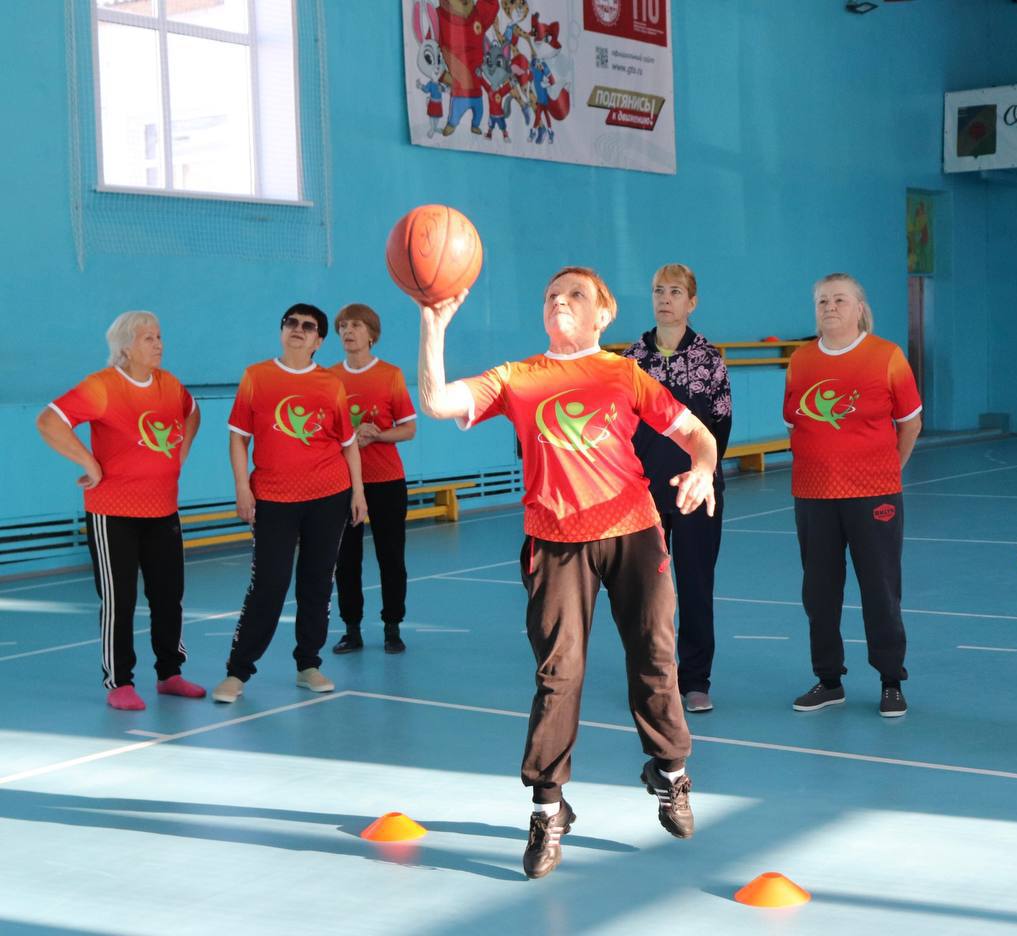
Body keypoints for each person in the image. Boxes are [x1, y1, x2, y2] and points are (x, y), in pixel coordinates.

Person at [417, 267, 718, 879]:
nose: (559, 299)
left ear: (602, 314)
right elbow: (437, 401)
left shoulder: (623, 373)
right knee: (559, 675)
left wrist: (704, 470)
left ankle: (670, 774)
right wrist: (433, 327)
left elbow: (696, 434)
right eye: (551, 293)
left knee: (656, 657)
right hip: (554, 541)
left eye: (575, 293)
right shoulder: (517, 376)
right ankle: (548, 809)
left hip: (632, 529)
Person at [36, 311, 205, 710]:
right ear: (126, 347)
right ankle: (120, 682)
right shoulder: (103, 386)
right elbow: (48, 422)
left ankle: (170, 673)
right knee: (120, 600)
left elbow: (193, 413)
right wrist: (89, 463)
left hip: (163, 510)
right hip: (113, 513)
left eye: (159, 336)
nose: (159, 344)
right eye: (149, 338)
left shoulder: (170, 384)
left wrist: (179, 455)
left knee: (169, 596)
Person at [213, 304, 367, 704]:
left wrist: (358, 493)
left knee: (317, 582)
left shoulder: (330, 384)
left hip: (328, 496)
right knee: (269, 583)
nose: (298, 329)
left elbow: (348, 444)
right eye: (291, 323)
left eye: (308, 326)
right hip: (273, 498)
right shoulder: (256, 377)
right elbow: (238, 437)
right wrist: (242, 487)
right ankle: (237, 671)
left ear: (319, 340)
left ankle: (308, 664)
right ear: (282, 331)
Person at [785, 273, 922, 717]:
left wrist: (888, 470)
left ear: (860, 308)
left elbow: (911, 423)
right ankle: (829, 681)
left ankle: (890, 681)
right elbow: (795, 426)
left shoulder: (887, 356)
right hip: (813, 496)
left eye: (840, 300)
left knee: (881, 589)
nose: (830, 307)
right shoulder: (801, 360)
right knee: (819, 593)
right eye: (822, 300)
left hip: (874, 495)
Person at [621, 263, 732, 713]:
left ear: (691, 302)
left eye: (675, 292)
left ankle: (696, 680)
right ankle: (652, 677)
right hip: (642, 495)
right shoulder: (631, 360)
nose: (665, 299)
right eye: (658, 291)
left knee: (695, 585)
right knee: (646, 591)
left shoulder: (709, 359)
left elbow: (720, 427)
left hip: (696, 494)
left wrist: (701, 474)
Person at [329, 304, 417, 655]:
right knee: (346, 560)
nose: (348, 332)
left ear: (371, 334)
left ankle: (392, 627)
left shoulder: (390, 375)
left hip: (387, 482)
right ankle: (351, 629)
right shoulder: (329, 378)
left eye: (356, 325)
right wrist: (348, 438)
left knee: (391, 557)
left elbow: (408, 429)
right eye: (343, 326)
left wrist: (377, 435)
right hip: (344, 483)